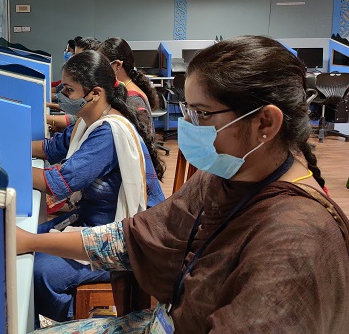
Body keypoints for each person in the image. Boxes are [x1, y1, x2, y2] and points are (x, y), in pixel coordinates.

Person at [18, 36, 349, 333]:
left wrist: (37, 242)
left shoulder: (296, 238)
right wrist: (33, 241)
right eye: (188, 112)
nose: (189, 127)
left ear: (265, 123)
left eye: (202, 114)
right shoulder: (223, 176)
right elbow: (138, 237)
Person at [30, 50, 166, 326]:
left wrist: (5, 165)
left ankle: (82, 318)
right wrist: (3, 147)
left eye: (69, 90)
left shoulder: (108, 132)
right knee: (29, 243)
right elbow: (52, 148)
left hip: (123, 238)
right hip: (94, 221)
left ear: (94, 93)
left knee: (37, 272)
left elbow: (57, 182)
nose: (62, 96)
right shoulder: (87, 121)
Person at [48, 37, 102, 133]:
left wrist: (48, 118)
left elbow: (76, 118)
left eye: (77, 56)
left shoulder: (94, 84)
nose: (73, 58)